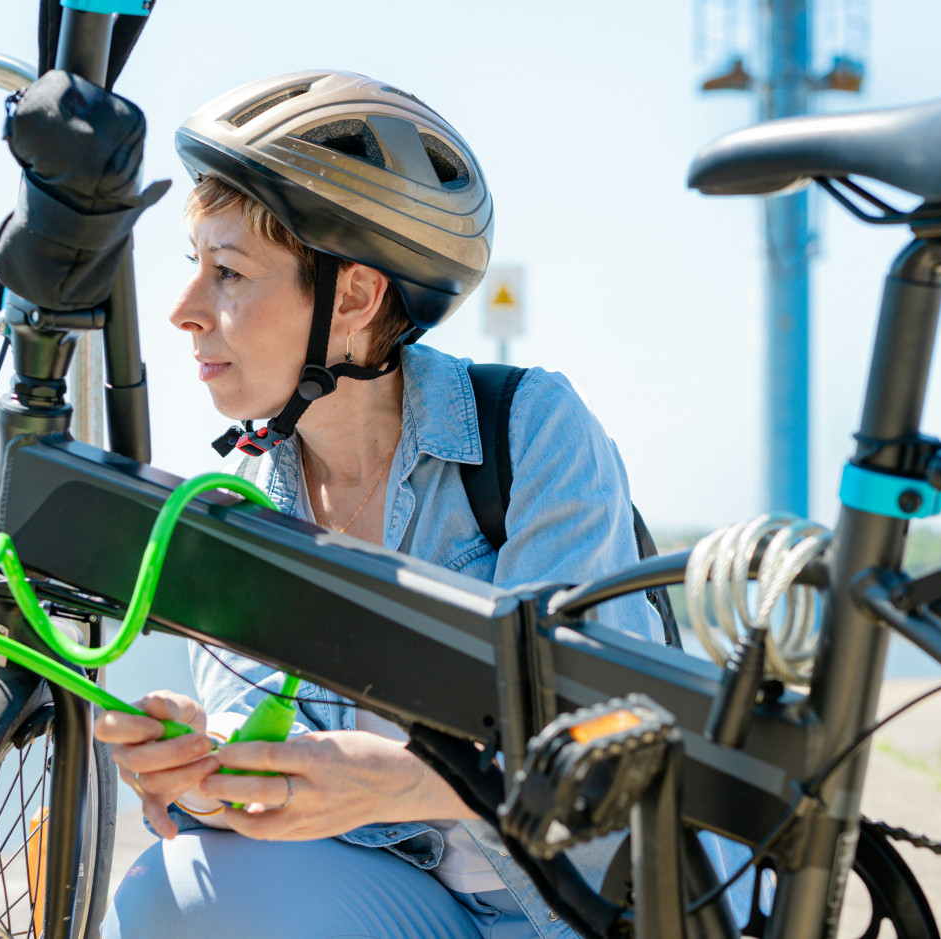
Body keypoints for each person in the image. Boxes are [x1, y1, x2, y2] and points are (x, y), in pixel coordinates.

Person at [94, 69, 693, 939]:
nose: (184, 311)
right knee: (169, 893)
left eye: (228, 272)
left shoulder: (529, 428)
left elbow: (596, 735)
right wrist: (201, 765)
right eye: (196, 267)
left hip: (590, 907)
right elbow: (263, 769)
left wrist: (403, 780)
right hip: (411, 898)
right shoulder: (238, 505)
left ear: (356, 297)